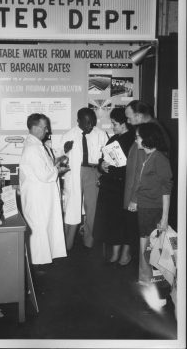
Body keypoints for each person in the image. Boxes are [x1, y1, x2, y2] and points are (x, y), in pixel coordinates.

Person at [19, 113, 68, 266]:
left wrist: (56, 164)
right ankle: (37, 263)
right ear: (35, 128)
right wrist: (58, 170)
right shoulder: (33, 148)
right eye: (45, 127)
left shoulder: (36, 145)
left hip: (41, 195)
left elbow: (45, 167)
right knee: (39, 228)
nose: (47, 130)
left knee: (42, 227)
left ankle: (40, 260)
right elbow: (45, 175)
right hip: (38, 196)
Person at [60, 107, 108, 251]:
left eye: (92, 123)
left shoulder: (101, 134)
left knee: (92, 209)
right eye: (86, 123)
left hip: (93, 172)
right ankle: (67, 245)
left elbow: (107, 155)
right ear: (78, 121)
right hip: (75, 173)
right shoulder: (69, 135)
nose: (90, 126)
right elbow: (59, 158)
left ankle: (89, 242)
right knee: (72, 208)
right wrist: (64, 150)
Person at [93, 107, 135, 265]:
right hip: (110, 187)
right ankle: (116, 252)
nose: (112, 126)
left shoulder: (133, 139)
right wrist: (101, 165)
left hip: (122, 186)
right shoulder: (113, 139)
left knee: (124, 221)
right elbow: (102, 158)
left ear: (124, 124)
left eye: (115, 123)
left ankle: (125, 253)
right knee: (112, 221)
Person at [134, 122, 173, 285]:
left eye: (138, 137)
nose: (136, 140)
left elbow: (166, 190)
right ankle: (145, 277)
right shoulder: (149, 156)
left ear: (146, 139)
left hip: (153, 209)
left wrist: (164, 218)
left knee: (153, 247)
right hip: (145, 208)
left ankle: (155, 281)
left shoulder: (159, 158)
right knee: (145, 243)